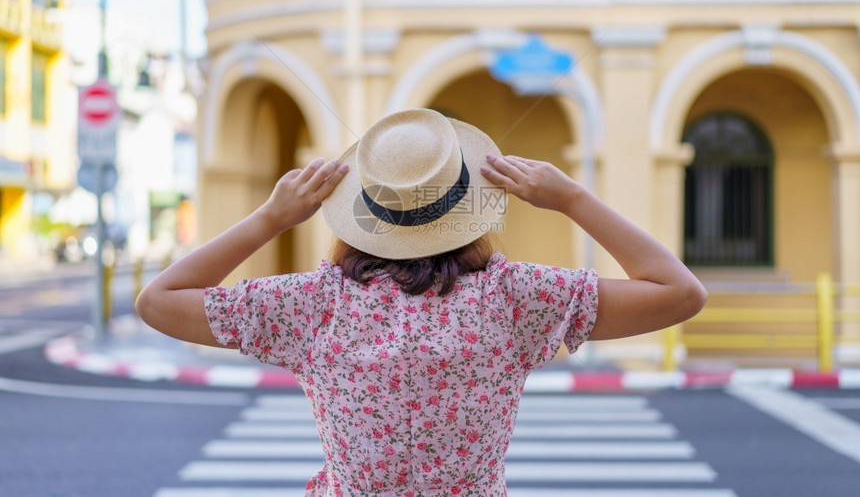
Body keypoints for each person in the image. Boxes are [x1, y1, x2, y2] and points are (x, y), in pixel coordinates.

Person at [136, 108, 707, 496]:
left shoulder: (312, 304)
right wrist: (573, 199)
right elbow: (678, 292)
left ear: (363, 212)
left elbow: (160, 300)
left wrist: (271, 218)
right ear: (469, 207)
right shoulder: (516, 299)